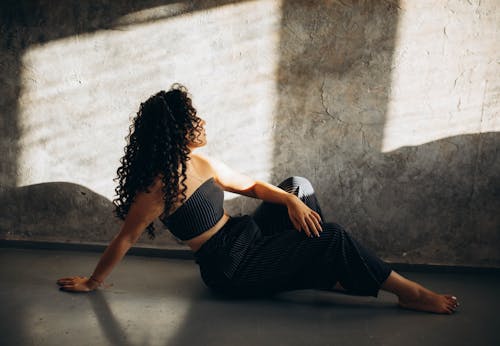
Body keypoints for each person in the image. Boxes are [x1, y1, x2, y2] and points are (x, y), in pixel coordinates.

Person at [57, 83, 459, 314]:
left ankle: (327, 271)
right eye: (193, 119)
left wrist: (290, 202)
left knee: (296, 186)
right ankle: (411, 294)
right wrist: (93, 281)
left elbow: (250, 187)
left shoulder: (199, 160)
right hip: (231, 267)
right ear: (177, 131)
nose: (202, 122)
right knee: (331, 236)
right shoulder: (156, 189)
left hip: (246, 238)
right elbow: (124, 239)